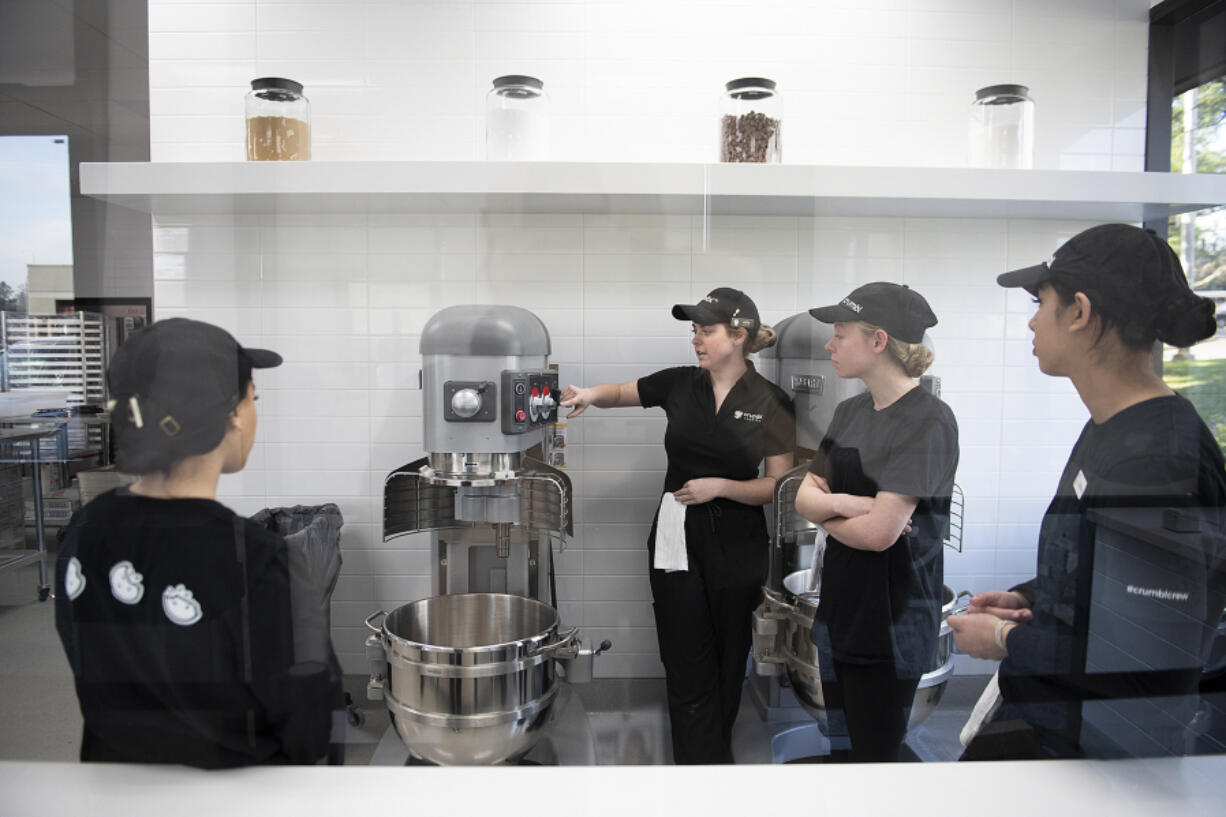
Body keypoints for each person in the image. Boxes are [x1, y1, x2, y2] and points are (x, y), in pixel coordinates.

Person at [949, 223, 1226, 759]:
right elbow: (1103, 569)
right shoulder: (1112, 425)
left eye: (1040, 301)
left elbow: (1141, 666)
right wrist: (1032, 596)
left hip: (1097, 752)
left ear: (1079, 311)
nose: (1031, 320)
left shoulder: (1158, 461)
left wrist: (1004, 640)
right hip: (1054, 718)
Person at [54, 318, 343, 768]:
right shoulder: (257, 560)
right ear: (230, 414)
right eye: (254, 399)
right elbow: (310, 726)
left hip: (112, 785)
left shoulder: (85, 529)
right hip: (235, 798)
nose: (254, 414)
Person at [560, 287, 795, 764]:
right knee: (685, 656)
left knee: (730, 657)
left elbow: (778, 485)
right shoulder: (681, 384)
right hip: (676, 537)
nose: (696, 340)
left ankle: (714, 756)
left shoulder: (772, 401)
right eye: (694, 331)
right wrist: (588, 395)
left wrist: (721, 487)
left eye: (706, 330)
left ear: (738, 335)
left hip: (739, 540)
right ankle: (695, 766)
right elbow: (625, 392)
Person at [796, 282, 959, 762]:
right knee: (843, 751)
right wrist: (852, 504)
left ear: (878, 340)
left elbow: (878, 535)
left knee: (877, 759)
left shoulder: (928, 422)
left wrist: (835, 512)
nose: (830, 344)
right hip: (842, 613)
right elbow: (804, 498)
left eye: (840, 333)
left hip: (892, 623)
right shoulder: (850, 412)